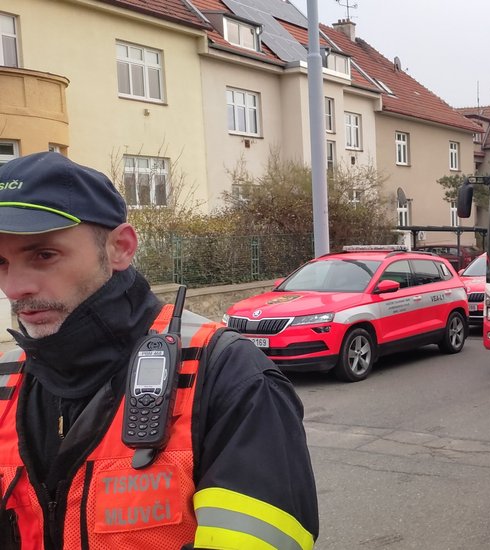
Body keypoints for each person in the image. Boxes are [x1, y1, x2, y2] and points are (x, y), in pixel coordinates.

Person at [0, 152, 318, 549]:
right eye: (0, 262)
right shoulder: (5, 379)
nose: (14, 288)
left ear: (121, 247)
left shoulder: (226, 374)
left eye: (44, 255)